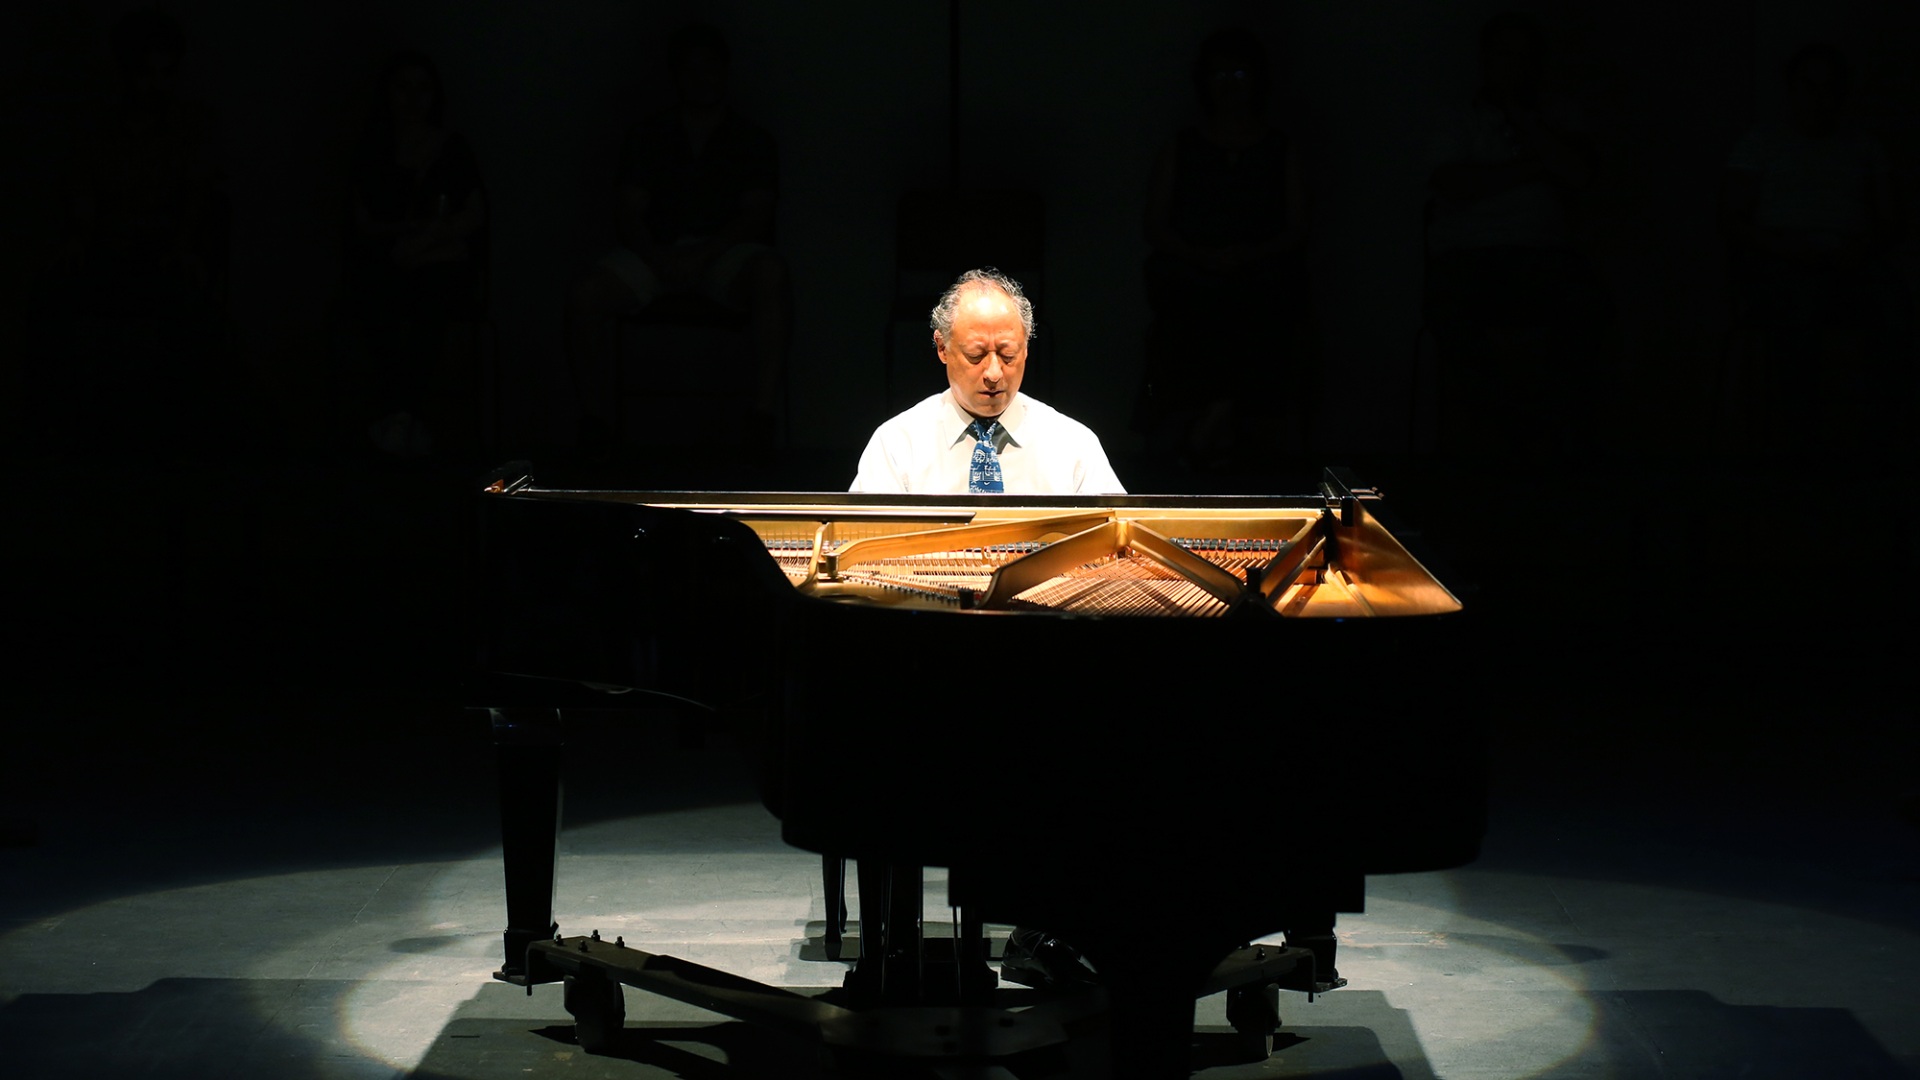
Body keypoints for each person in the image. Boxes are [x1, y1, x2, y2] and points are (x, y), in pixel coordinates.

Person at [566, 22, 789, 448]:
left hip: (725, 256)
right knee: (586, 293)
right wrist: (658, 257)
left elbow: (755, 216)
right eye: (691, 69)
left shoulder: (751, 140)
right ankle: (594, 421)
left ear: (724, 72)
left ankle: (761, 418)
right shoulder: (649, 136)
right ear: (675, 75)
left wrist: (705, 255)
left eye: (710, 68)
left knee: (770, 275)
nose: (701, 78)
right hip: (655, 255)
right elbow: (628, 210)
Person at [1139, 26, 1313, 469]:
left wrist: (1248, 255)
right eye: (1220, 75)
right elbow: (1155, 224)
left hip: (1262, 273)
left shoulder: (1278, 148)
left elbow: (1297, 225)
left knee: (1259, 303)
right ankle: (1210, 422)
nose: (1230, 86)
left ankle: (1224, 418)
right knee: (1193, 301)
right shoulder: (1184, 146)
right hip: (1191, 272)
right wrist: (1201, 257)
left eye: (1239, 74)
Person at [851, 268, 1124, 495]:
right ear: (942, 347)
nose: (994, 374)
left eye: (1008, 355)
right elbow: (862, 544)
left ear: (1026, 348)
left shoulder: (1074, 445)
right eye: (975, 355)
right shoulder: (898, 444)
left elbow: (1118, 542)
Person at [338, 49, 489, 458]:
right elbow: (363, 222)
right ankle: (402, 416)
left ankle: (399, 417)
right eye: (403, 87)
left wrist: (422, 242)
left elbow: (473, 215)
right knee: (377, 299)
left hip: (436, 266)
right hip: (387, 265)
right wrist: (408, 237)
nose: (413, 98)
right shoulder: (372, 149)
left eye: (423, 88)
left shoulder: (451, 149)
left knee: (431, 300)